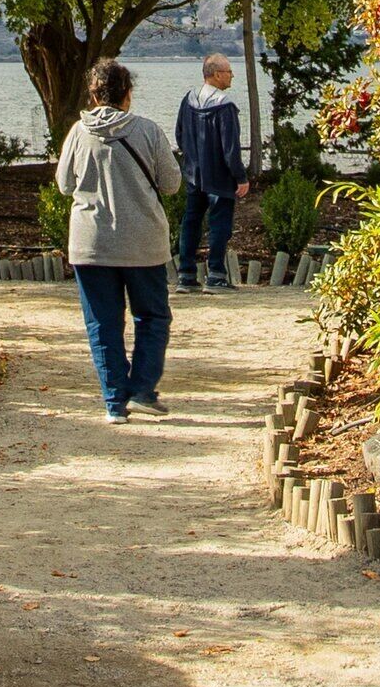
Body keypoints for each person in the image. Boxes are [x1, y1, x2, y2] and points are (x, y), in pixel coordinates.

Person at [55, 57, 181, 423]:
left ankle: (114, 402)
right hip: (143, 242)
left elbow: (64, 184)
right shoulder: (148, 131)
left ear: (93, 95)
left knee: (103, 323)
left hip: (91, 244)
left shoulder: (78, 133)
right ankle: (142, 389)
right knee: (152, 316)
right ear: (127, 93)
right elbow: (171, 184)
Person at [173, 53, 247, 292]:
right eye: (228, 71)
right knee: (219, 224)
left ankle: (186, 275)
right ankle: (215, 274)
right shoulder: (224, 105)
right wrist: (240, 177)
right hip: (219, 176)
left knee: (191, 221)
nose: (231, 75)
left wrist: (191, 160)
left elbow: (180, 135)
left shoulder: (189, 99)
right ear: (216, 74)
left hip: (194, 173)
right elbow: (231, 147)